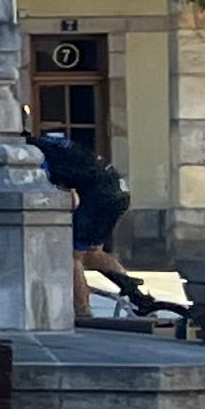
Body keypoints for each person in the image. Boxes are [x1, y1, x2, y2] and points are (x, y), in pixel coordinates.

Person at [40, 127, 165, 320]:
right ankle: (135, 295)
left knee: (71, 255)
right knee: (91, 253)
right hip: (117, 189)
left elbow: (68, 197)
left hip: (100, 196)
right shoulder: (51, 144)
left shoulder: (33, 156)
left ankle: (83, 313)